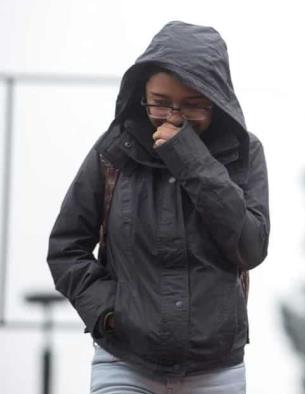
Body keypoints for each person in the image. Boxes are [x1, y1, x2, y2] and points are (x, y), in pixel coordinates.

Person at [46, 21, 269, 393]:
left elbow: (251, 246)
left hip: (216, 370)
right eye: (160, 102)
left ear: (215, 100)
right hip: (124, 363)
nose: (173, 117)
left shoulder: (245, 153)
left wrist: (192, 160)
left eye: (192, 106)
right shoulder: (112, 152)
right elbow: (65, 248)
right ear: (141, 94)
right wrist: (108, 313)